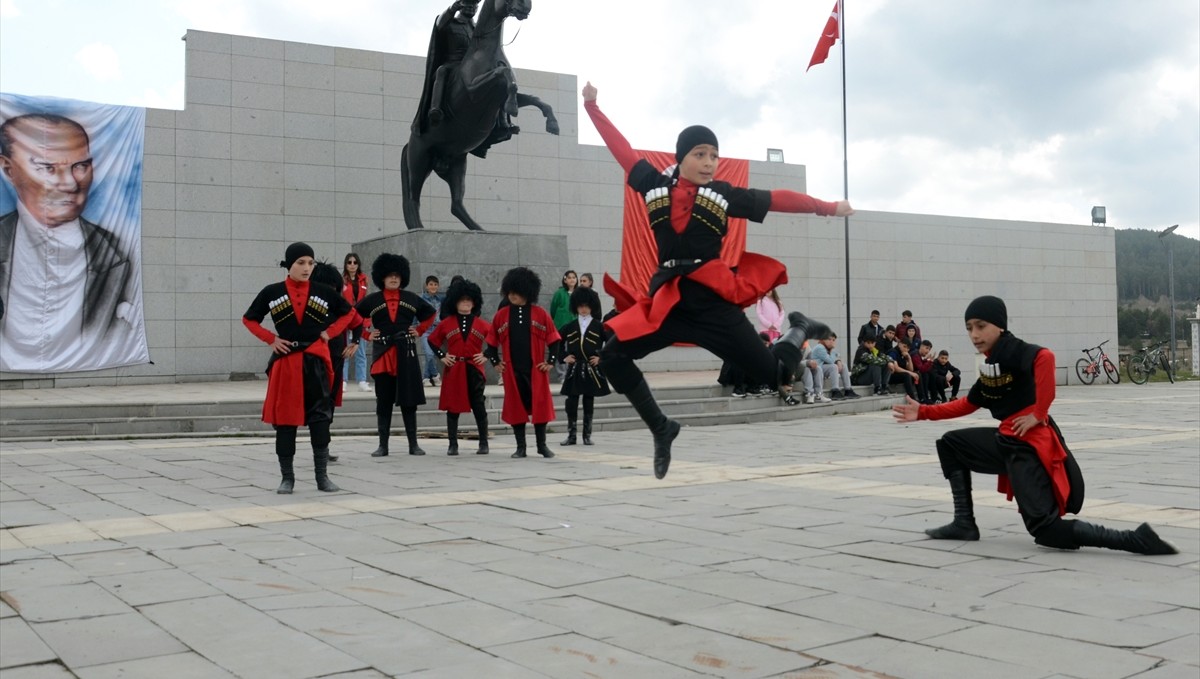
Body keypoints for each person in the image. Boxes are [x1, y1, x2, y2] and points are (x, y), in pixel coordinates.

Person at [583, 81, 848, 479]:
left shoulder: (723, 194)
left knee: (777, 376)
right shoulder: (654, 185)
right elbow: (623, 151)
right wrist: (592, 107)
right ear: (682, 156)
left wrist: (827, 207)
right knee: (613, 356)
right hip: (669, 302)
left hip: (712, 304)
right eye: (700, 154)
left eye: (714, 155)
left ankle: (800, 327)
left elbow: (777, 199)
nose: (709, 162)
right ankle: (661, 427)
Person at [893, 295, 1176, 556]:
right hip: (1008, 440)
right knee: (951, 444)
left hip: (1027, 446)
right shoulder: (993, 361)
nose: (974, 334)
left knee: (1046, 530)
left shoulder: (1012, 349)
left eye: (981, 326)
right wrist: (924, 412)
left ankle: (1133, 538)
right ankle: (964, 522)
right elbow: (969, 403)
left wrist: (1039, 413)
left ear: (999, 326)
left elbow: (1046, 358)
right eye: (969, 328)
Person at [0, 113, 136, 372]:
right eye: (47, 168)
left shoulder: (117, 252)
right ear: (9, 169)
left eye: (81, 166)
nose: (70, 183)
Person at [242, 242, 355, 494]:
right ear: (289, 265)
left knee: (320, 418)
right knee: (285, 421)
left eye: (310, 263)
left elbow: (349, 313)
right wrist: (271, 339)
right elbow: (249, 319)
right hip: (287, 363)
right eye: (301, 263)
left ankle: (322, 477)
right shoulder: (272, 292)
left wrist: (330, 332)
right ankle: (287, 478)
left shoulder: (322, 292)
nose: (306, 268)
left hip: (314, 359)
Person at [356, 253, 438, 457]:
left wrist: (419, 331)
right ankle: (383, 445)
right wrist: (366, 334)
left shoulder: (412, 298)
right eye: (390, 275)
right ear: (382, 277)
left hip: (406, 353)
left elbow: (430, 314)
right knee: (383, 401)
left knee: (409, 400)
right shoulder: (372, 300)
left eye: (397, 276)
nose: (394, 279)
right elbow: (352, 317)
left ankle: (414, 444)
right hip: (383, 354)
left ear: (403, 277)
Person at [484, 267, 561, 459]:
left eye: (515, 292)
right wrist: (495, 362)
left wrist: (550, 362)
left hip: (535, 370)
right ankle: (521, 447)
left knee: (540, 408)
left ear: (527, 292)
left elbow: (555, 341)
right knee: (516, 408)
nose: (511, 296)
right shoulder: (501, 316)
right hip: (512, 371)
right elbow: (491, 344)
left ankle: (542, 446)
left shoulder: (541, 313)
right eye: (509, 292)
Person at [426, 278, 492, 456]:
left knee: (479, 404)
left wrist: (486, 355)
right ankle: (452, 444)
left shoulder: (482, 323)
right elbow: (432, 341)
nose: (465, 303)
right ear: (455, 303)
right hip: (454, 369)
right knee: (452, 406)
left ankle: (484, 443)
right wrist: (442, 356)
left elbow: (497, 339)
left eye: (469, 300)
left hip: (474, 368)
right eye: (462, 300)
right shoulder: (446, 323)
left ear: (474, 302)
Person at [310, 261, 365, 462]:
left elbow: (358, 323)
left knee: (329, 405)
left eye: (333, 287)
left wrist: (355, 343)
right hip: (313, 361)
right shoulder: (310, 306)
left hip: (336, 360)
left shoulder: (341, 306)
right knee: (317, 404)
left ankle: (323, 448)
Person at [557, 286, 611, 445]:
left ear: (592, 307)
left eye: (587, 306)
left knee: (589, 401)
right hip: (574, 369)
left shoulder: (599, 326)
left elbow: (611, 343)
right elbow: (556, 342)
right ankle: (571, 435)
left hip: (591, 369)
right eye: (580, 306)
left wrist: (601, 358)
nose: (584, 309)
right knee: (572, 402)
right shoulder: (570, 326)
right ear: (576, 306)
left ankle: (587, 435)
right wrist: (564, 356)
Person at [417, 0, 479, 129]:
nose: (471, 7)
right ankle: (435, 108)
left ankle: (501, 120)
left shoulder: (477, 29)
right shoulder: (451, 23)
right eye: (468, 4)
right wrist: (452, 8)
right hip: (453, 63)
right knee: (442, 71)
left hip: (472, 67)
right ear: (461, 5)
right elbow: (439, 23)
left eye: (474, 5)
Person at [341, 252, 370, 391]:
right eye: (349, 262)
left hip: (360, 319)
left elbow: (366, 300)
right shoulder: (342, 281)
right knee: (345, 350)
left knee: (361, 352)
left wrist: (367, 320)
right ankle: (343, 380)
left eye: (355, 262)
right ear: (346, 265)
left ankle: (362, 381)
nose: (352, 265)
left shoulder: (364, 280)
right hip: (346, 319)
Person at [810, 333, 861, 400]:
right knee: (833, 367)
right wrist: (833, 352)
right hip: (816, 369)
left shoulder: (827, 348)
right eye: (829, 339)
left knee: (843, 365)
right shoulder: (820, 347)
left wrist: (838, 361)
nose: (832, 342)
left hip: (823, 368)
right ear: (823, 340)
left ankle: (848, 390)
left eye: (833, 340)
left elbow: (837, 357)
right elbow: (831, 360)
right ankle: (835, 390)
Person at [549, 269, 578, 382]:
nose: (572, 279)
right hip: (561, 327)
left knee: (573, 350)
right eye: (569, 277)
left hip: (575, 328)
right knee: (561, 350)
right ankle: (562, 375)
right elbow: (553, 310)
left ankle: (572, 374)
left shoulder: (579, 293)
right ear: (565, 280)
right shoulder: (559, 293)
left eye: (574, 277)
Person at [419, 275, 445, 387]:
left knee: (433, 354)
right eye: (431, 284)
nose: (433, 286)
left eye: (435, 284)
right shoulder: (421, 299)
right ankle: (435, 375)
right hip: (426, 329)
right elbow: (416, 313)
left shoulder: (441, 299)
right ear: (426, 286)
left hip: (437, 330)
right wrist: (415, 327)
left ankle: (425, 378)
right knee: (429, 354)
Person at [912, 339, 936, 404]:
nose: (928, 351)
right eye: (926, 348)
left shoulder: (919, 355)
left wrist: (927, 361)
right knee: (922, 374)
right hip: (910, 374)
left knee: (929, 374)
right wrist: (929, 361)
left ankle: (928, 397)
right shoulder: (915, 355)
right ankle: (922, 398)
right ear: (921, 346)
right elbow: (921, 369)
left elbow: (923, 368)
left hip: (917, 374)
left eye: (929, 349)